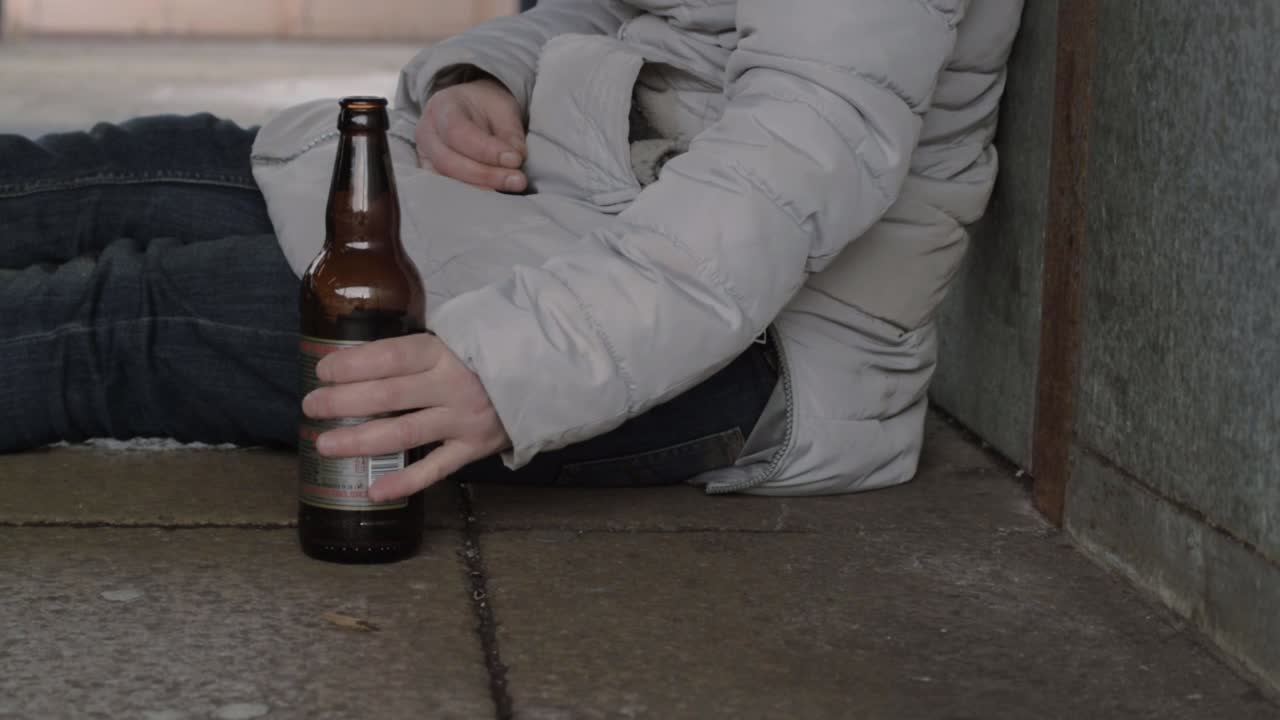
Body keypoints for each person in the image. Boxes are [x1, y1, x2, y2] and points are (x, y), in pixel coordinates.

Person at [0, 0, 1024, 499]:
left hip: (752, 347)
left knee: (130, 320)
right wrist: (478, 82)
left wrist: (511, 367)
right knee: (126, 173)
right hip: (585, 206)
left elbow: (774, 182)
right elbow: (608, 13)